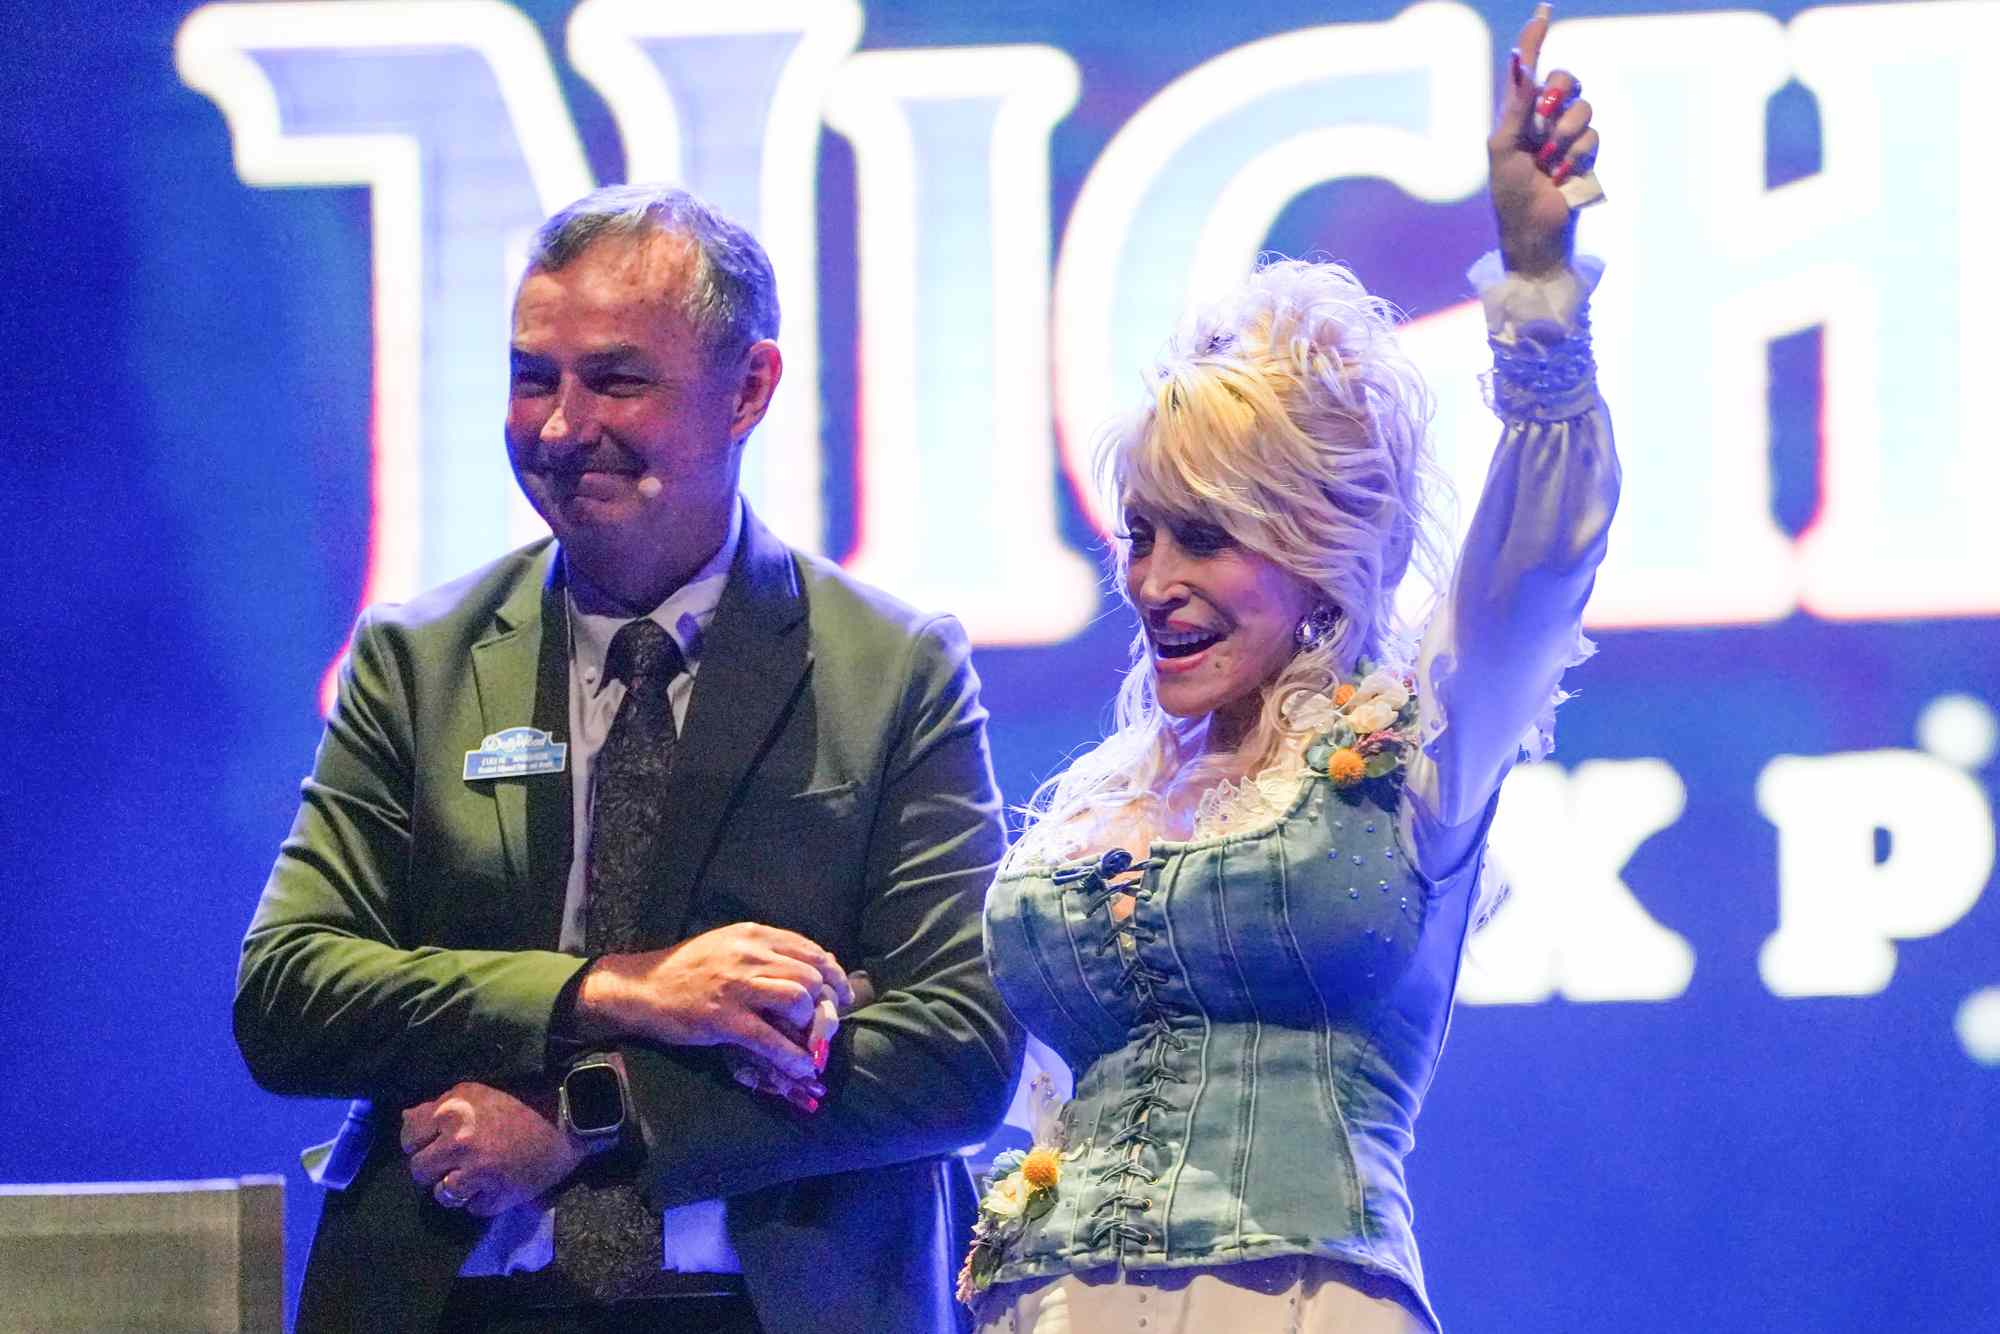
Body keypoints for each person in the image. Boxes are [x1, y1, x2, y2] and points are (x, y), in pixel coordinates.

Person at [235, 183, 1022, 1334]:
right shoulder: (417, 658)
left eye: (614, 379)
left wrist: (590, 1118)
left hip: (773, 1303)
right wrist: (614, 989)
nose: (559, 428)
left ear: (748, 389)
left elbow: (957, 1051)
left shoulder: (892, 665)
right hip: (457, 1299)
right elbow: (289, 995)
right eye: (530, 378)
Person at [965, 10, 1614, 1332]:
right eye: (1140, 536)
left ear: (1319, 550)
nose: (1153, 580)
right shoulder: (1094, 797)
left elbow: (1538, 563)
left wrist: (1537, 278)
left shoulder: (1412, 745)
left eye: (1206, 539)